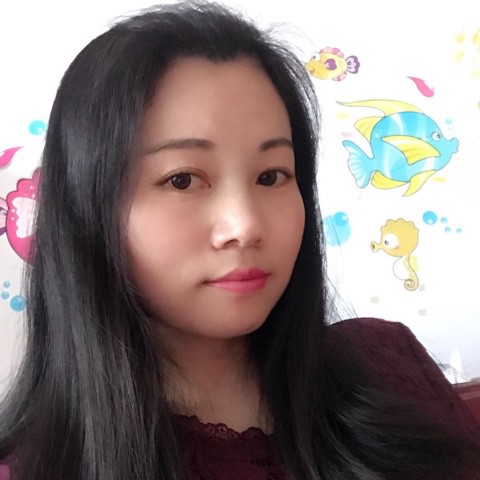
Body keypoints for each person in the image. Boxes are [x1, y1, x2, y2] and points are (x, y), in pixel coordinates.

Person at [0, 2, 479, 479]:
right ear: (87, 209)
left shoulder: (389, 363)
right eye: (183, 179)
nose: (245, 225)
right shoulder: (34, 468)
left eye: (271, 175)